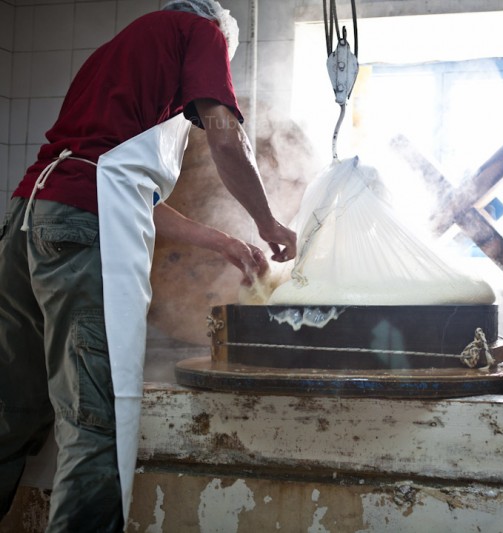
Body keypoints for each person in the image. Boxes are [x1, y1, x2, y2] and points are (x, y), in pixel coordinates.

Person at [0, 1, 296, 531]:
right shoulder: (204, 31)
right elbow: (226, 135)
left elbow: (117, 185)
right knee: (97, 420)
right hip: (77, 227)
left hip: (28, 220)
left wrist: (223, 240)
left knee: (11, 409)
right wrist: (269, 223)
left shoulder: (113, 57)